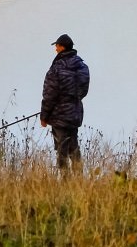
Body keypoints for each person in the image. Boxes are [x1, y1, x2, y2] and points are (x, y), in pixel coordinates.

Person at [40, 33, 90, 173]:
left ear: (62, 47)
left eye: (56, 46)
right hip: (75, 112)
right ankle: (79, 178)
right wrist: (70, 100)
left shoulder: (56, 68)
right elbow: (83, 91)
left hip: (59, 115)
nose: (55, 49)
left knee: (61, 148)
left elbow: (49, 95)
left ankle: (65, 181)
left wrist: (44, 116)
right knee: (73, 146)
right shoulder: (82, 67)